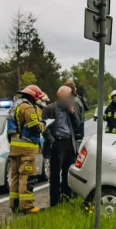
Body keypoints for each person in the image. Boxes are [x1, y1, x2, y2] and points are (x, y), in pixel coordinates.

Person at [9, 84, 47, 214]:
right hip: (27, 148)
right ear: (34, 97)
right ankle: (27, 206)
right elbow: (34, 127)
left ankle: (15, 205)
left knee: (15, 177)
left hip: (14, 147)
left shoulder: (15, 106)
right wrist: (43, 125)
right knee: (27, 176)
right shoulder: (27, 107)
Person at [44, 86, 82, 206]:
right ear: (58, 94)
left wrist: (72, 112)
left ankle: (66, 197)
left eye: (68, 96)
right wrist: (52, 140)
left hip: (68, 142)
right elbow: (44, 127)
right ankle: (54, 202)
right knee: (55, 174)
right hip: (57, 142)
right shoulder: (50, 108)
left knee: (68, 171)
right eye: (64, 95)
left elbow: (77, 124)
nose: (66, 98)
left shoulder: (70, 107)